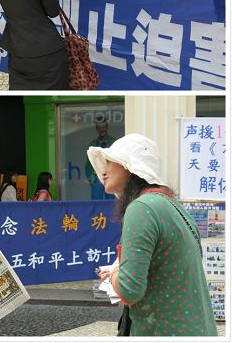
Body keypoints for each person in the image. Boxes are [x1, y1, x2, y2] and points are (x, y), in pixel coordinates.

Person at [87, 133, 218, 337]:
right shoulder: (174, 207)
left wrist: (113, 274)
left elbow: (129, 291)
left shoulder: (141, 208)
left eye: (110, 162)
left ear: (129, 166)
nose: (103, 171)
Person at [85, 118, 115, 200]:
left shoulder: (113, 142)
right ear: (96, 129)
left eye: (103, 127)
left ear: (107, 127)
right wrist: (90, 176)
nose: (102, 129)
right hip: (96, 176)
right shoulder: (92, 144)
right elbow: (89, 163)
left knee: (111, 200)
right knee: (96, 200)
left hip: (111, 175)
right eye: (99, 127)